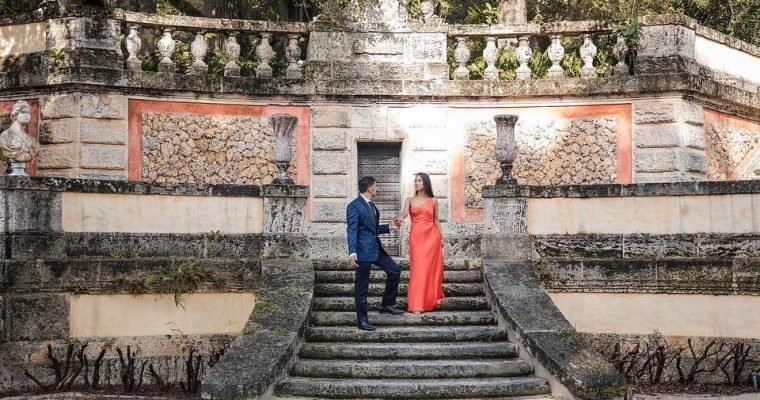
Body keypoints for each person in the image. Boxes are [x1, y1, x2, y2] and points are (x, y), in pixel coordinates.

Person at [346, 176, 404, 332]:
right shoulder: (354, 206)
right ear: (370, 188)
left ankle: (386, 304)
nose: (377, 189)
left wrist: (390, 227)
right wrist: (352, 252)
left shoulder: (372, 206)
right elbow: (352, 230)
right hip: (362, 252)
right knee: (362, 287)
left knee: (394, 270)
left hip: (376, 248)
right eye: (376, 186)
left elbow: (372, 230)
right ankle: (362, 321)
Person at [395, 173, 445, 314]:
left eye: (419, 180)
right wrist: (399, 218)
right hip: (416, 237)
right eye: (415, 181)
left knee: (428, 270)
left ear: (425, 183)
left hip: (432, 237)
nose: (416, 183)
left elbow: (436, 220)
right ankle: (416, 304)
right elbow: (405, 213)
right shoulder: (409, 199)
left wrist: (442, 236)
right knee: (417, 269)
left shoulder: (434, 200)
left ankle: (426, 301)